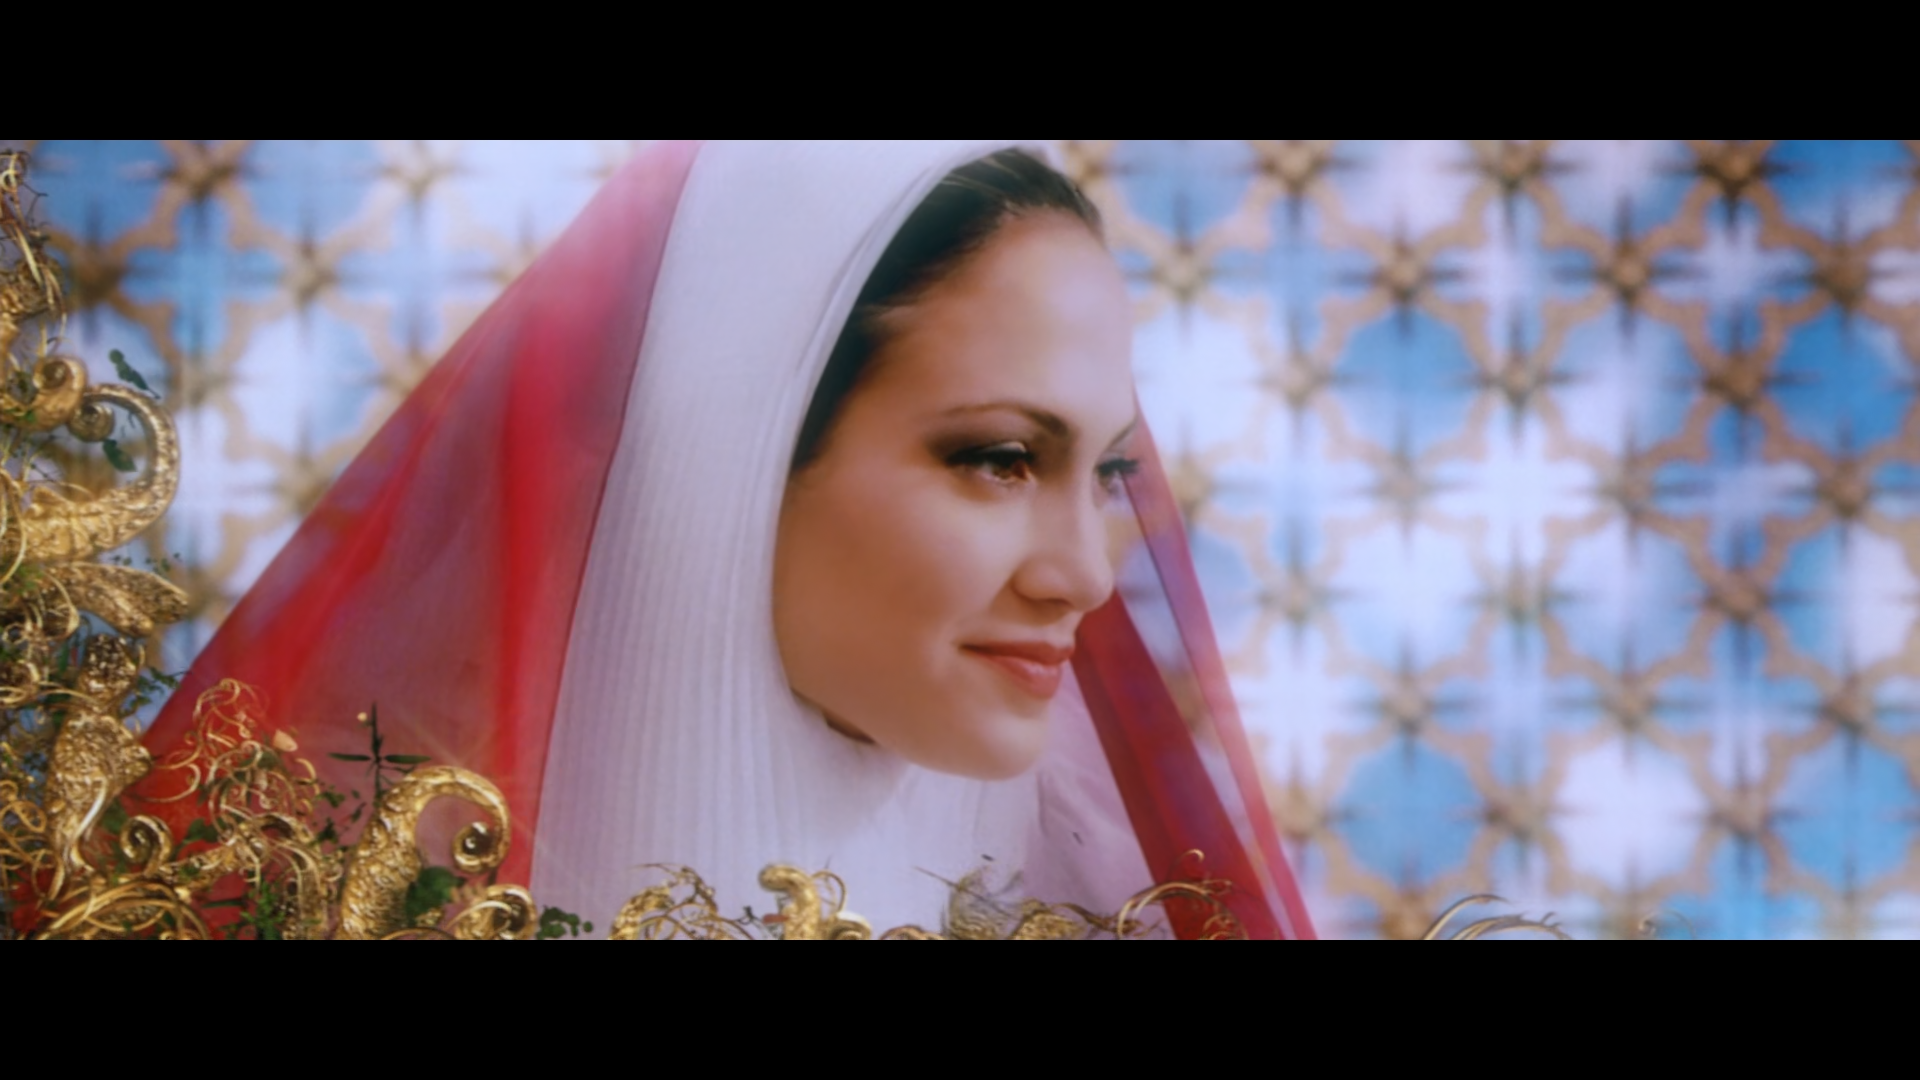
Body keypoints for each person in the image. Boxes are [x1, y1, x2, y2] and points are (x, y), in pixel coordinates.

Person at [135, 141, 1315, 939]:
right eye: (1000, 458)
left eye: (1110, 472)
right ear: (732, 453)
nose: (1087, 576)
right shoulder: (333, 888)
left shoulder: (1102, 896)